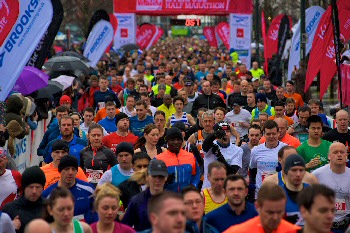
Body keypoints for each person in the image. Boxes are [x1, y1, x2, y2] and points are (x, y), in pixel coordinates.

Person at [223, 183, 301, 233]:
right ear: (257, 207)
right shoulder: (238, 231)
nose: (275, 217)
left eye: (279, 212)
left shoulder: (294, 231)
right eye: (270, 212)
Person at [42, 155, 96, 223]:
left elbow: (97, 212)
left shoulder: (89, 189)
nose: (70, 173)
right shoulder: (47, 194)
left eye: (73, 169)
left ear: (77, 171)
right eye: (66, 169)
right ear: (60, 171)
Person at [312, 142, 350, 233]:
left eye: (342, 152)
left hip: (346, 223)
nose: (339, 155)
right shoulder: (317, 174)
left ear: (346, 156)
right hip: (323, 224)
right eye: (335, 152)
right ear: (329, 156)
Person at [122, 160, 168, 231]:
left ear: (166, 178)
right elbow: (124, 228)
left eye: (161, 176)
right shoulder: (136, 202)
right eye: (154, 176)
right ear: (147, 177)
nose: (157, 180)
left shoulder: (172, 201)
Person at [249, 120, 287, 198]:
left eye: (274, 134)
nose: (271, 136)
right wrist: (252, 187)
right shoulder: (255, 150)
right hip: (260, 194)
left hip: (280, 193)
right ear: (263, 135)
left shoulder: (285, 149)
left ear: (278, 133)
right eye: (268, 134)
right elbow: (252, 170)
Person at [3, 166, 47, 233]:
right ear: (24, 188)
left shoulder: (49, 207)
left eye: (38, 187)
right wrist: (9, 227)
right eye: (31, 187)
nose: (34, 191)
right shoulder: (10, 209)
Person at [156, 128, 200, 192]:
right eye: (172, 140)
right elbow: (152, 180)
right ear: (167, 142)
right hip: (167, 198)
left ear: (182, 141)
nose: (176, 142)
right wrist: (164, 180)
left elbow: (196, 174)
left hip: (186, 197)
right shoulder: (158, 159)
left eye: (178, 140)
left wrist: (193, 186)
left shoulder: (190, 156)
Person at [202, 121, 243, 189]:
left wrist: (219, 156)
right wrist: (214, 135)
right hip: (208, 190)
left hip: (225, 191)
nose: (225, 134)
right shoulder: (212, 145)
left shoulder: (237, 150)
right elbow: (205, 144)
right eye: (222, 132)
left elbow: (232, 172)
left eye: (227, 131)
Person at [278, 154, 308, 225]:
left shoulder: (312, 192)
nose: (298, 174)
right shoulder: (278, 194)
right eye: (294, 170)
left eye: (301, 170)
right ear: (286, 172)